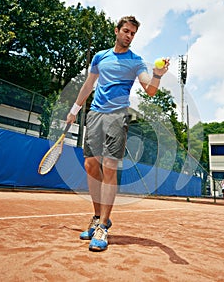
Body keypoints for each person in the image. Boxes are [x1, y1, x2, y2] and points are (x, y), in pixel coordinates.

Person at [66, 15, 170, 252]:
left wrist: (157, 74)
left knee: (110, 166)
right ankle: (97, 216)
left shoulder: (136, 62)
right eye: (126, 31)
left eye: (133, 33)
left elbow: (150, 90)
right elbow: (88, 85)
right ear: (117, 31)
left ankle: (103, 226)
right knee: (91, 166)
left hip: (117, 116)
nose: (129, 36)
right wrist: (74, 109)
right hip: (94, 114)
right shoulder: (100, 57)